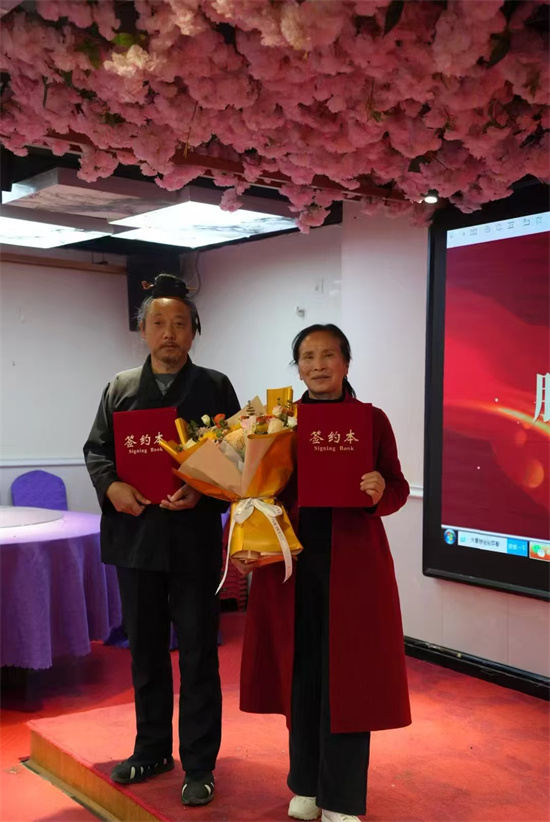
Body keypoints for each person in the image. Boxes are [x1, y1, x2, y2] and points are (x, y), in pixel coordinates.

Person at [240, 324, 411, 822]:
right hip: (291, 569)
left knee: (348, 681)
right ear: (297, 368)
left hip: (353, 569)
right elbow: (253, 490)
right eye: (308, 357)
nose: (318, 365)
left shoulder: (371, 420)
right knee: (301, 674)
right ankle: (307, 785)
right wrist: (247, 536)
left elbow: (398, 486)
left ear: (346, 363)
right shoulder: (278, 424)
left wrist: (379, 491)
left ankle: (341, 799)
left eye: (328, 355)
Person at [84, 273, 239, 806]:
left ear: (194, 331)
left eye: (179, 324)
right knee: (146, 652)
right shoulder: (121, 387)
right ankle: (151, 748)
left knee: (198, 655)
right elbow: (97, 451)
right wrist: (113, 487)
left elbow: (235, 457)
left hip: (193, 541)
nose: (169, 333)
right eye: (158, 323)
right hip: (137, 539)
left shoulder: (215, 387)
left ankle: (200, 763)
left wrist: (205, 493)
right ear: (143, 331)